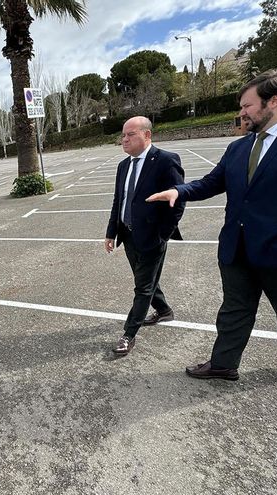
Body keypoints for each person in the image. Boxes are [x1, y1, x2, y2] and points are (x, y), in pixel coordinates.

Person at [147, 69, 277, 382]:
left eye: (247, 105)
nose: (241, 112)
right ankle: (223, 362)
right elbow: (212, 182)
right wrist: (178, 191)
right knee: (234, 307)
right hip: (238, 245)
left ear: (273, 101)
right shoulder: (240, 147)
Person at [105, 116, 186, 357]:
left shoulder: (166, 161)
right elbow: (118, 201)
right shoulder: (124, 165)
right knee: (147, 280)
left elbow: (178, 200)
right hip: (128, 235)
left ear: (147, 135)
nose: (125, 139)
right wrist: (111, 232)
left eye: (130, 134)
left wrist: (163, 234)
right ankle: (163, 310)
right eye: (123, 135)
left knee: (142, 287)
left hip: (153, 237)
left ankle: (128, 334)